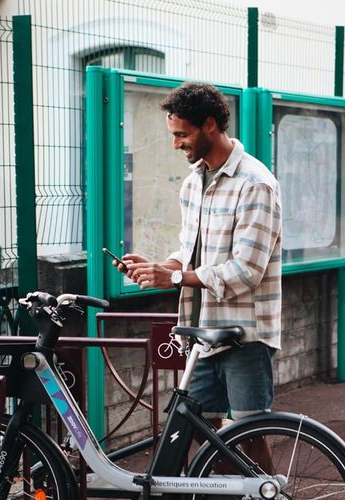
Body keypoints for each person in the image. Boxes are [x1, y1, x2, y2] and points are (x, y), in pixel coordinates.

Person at [113, 82, 282, 439]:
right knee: (204, 435)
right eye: (173, 135)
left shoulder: (255, 184)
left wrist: (174, 279)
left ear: (209, 124)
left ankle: (269, 494)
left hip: (245, 335)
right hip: (202, 332)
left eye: (182, 134)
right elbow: (191, 254)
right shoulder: (193, 184)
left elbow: (246, 271)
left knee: (249, 435)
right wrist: (159, 267)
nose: (176, 144)